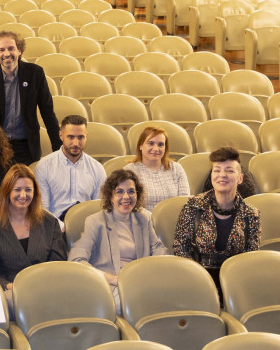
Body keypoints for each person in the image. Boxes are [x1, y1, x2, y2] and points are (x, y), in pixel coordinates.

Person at [69, 169, 167, 311]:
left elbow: (159, 250)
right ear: (110, 196)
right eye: (119, 192)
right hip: (111, 285)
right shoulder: (95, 221)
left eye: (131, 191)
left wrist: (153, 274)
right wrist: (112, 279)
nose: (126, 197)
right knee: (140, 307)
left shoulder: (143, 219)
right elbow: (76, 261)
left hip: (141, 282)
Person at [173, 147, 260, 289]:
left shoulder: (251, 214)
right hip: (196, 283)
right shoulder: (193, 206)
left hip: (235, 284)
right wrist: (199, 280)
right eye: (217, 170)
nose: (222, 175)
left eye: (229, 170)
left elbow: (250, 258)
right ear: (212, 175)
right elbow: (181, 249)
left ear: (240, 178)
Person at [0, 30, 61, 165]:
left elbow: (48, 113)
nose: (7, 54)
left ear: (19, 51)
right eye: (1, 50)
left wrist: (59, 149)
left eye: (11, 48)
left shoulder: (35, 73)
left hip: (27, 146)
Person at [0, 164, 66, 296]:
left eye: (28, 190)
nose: (23, 195)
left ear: (35, 192)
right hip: (10, 291)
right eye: (17, 189)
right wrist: (7, 286)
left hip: (47, 287)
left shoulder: (50, 222)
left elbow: (58, 264)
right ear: (7, 191)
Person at [35, 115, 106, 222]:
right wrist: (59, 227)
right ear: (61, 135)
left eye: (81, 137)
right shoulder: (44, 166)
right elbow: (43, 209)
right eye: (71, 137)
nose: (76, 143)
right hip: (53, 226)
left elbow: (98, 208)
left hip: (87, 226)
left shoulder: (97, 169)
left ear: (87, 136)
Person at [124, 126, 189, 212]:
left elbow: (184, 202)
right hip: (141, 222)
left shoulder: (176, 168)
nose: (156, 149)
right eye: (151, 143)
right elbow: (128, 205)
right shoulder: (130, 171)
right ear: (141, 145)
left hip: (173, 221)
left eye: (160, 145)